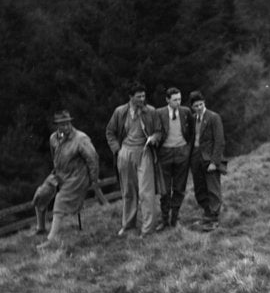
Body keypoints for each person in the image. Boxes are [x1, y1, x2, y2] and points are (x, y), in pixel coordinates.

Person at [32, 110, 108, 250]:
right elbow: (54, 155)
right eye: (62, 125)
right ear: (57, 125)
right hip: (60, 173)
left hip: (77, 176)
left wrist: (94, 179)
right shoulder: (53, 138)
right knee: (41, 194)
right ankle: (40, 227)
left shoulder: (81, 138)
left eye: (67, 124)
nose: (66, 127)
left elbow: (93, 159)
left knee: (60, 201)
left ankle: (51, 240)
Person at [105, 81, 162, 237]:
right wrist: (117, 149)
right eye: (138, 97)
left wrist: (153, 138)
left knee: (146, 192)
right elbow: (110, 132)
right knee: (128, 191)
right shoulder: (120, 112)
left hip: (144, 152)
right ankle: (128, 225)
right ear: (131, 97)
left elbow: (158, 131)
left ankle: (147, 228)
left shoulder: (150, 111)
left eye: (144, 96)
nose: (142, 99)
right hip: (125, 153)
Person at [156, 87, 193, 230]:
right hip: (165, 154)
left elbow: (191, 132)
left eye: (179, 99)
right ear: (167, 100)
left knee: (179, 187)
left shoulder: (186, 112)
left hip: (181, 153)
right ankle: (164, 219)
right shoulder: (159, 113)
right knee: (164, 189)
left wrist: (187, 148)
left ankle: (174, 218)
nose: (178, 102)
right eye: (175, 99)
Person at [189, 90, 226, 230]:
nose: (199, 107)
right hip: (196, 157)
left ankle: (214, 217)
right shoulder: (192, 119)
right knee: (200, 187)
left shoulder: (213, 117)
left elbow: (219, 141)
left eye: (201, 104)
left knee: (213, 188)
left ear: (204, 103)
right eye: (196, 105)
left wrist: (214, 162)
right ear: (192, 107)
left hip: (209, 158)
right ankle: (207, 214)